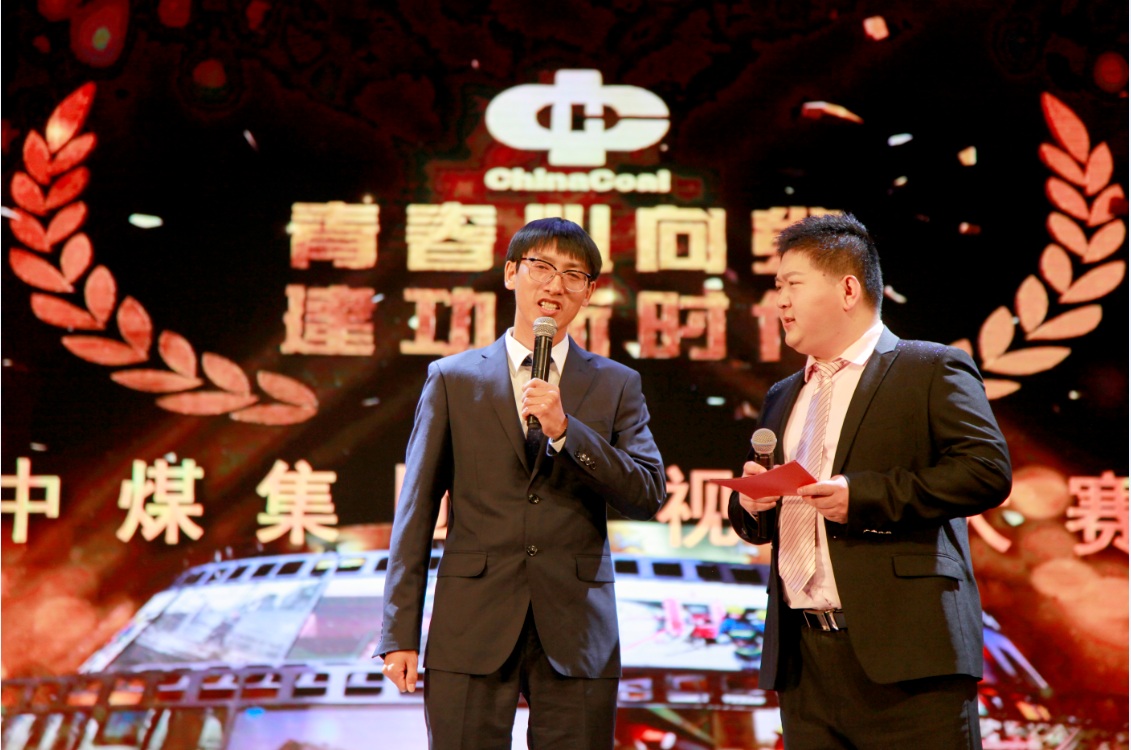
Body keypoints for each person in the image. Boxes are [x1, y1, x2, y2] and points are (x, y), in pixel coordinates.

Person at [377, 217, 666, 749]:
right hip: (471, 623)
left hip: (577, 628)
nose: (555, 285)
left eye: (574, 275)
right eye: (542, 268)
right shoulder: (453, 378)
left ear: (589, 293)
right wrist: (399, 633)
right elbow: (416, 512)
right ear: (511, 273)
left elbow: (647, 493)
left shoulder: (616, 384)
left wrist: (567, 431)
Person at [727, 213, 1011, 749]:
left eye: (792, 284)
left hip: (909, 659)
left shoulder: (930, 368)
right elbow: (756, 522)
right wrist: (753, 505)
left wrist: (862, 496)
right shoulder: (784, 394)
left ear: (848, 289)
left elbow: (986, 471)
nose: (779, 301)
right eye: (776, 287)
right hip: (805, 664)